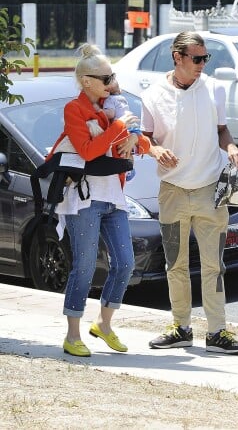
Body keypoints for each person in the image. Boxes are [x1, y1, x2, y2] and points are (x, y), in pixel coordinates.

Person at [141, 31, 238, 355]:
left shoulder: (214, 89)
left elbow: (221, 129)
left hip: (210, 192)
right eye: (196, 58)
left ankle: (217, 332)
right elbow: (144, 137)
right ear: (178, 57)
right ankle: (181, 327)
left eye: (205, 58)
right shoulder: (154, 95)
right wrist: (155, 151)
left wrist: (230, 146)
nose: (202, 64)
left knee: (214, 265)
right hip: (172, 191)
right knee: (175, 263)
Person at [48, 43, 151, 357]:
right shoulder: (75, 110)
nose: (112, 83)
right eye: (106, 78)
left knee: (125, 264)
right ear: (86, 82)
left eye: (113, 76)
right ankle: (72, 334)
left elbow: (144, 145)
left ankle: (103, 325)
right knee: (84, 267)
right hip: (84, 199)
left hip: (114, 197)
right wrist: (120, 127)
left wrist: (133, 136)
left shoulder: (115, 104)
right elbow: (88, 152)